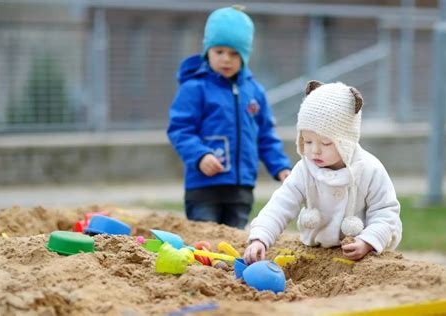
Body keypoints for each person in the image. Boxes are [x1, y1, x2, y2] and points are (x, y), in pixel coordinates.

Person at [244, 80, 402, 263]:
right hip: (317, 252)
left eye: (326, 143)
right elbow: (280, 205)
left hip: (359, 255)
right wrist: (260, 238)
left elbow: (386, 210)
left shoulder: (369, 169)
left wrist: (368, 241)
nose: (314, 151)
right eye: (308, 141)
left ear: (346, 141)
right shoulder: (304, 170)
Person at [167, 6, 291, 229]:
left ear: (245, 55)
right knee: (203, 242)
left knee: (233, 243)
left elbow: (266, 135)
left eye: (234, 53)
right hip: (203, 186)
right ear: (207, 51)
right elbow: (180, 129)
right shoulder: (194, 88)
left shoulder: (255, 92)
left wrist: (280, 166)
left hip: (241, 189)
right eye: (219, 51)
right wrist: (200, 156)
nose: (226, 59)